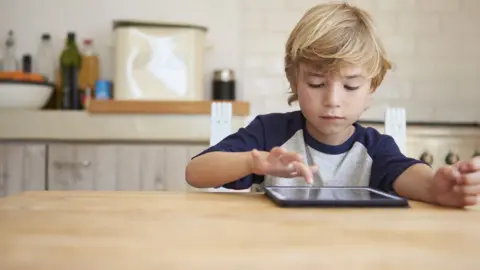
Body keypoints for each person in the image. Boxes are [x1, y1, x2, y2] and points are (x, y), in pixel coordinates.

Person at [185, 2, 480, 208]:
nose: (333, 100)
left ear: (371, 88)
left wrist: (443, 188)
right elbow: (195, 172)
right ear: (294, 80)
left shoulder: (376, 150)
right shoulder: (271, 133)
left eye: (351, 86)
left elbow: (423, 184)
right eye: (316, 83)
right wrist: (252, 161)